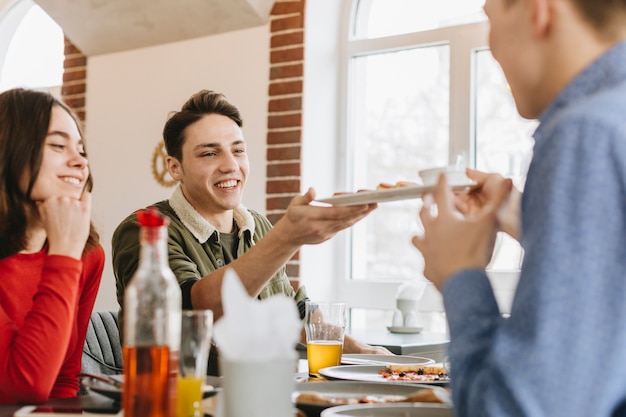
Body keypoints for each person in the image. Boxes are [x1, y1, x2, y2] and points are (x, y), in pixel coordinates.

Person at [412, 0, 626, 416]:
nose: (491, 48)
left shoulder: (584, 133)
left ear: (538, 10)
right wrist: (533, 221)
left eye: (490, 18)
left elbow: (519, 408)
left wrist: (459, 273)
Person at [112, 89, 390, 374]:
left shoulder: (257, 226)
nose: (230, 165)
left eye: (238, 150)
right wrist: (287, 237)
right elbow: (194, 315)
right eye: (209, 153)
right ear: (175, 168)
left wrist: (362, 351)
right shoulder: (145, 230)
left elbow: (297, 311)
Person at [0, 88, 104, 404]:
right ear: (8, 152)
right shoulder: (71, 253)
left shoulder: (87, 256)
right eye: (58, 145)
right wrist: (64, 255)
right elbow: (23, 385)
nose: (80, 163)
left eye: (82, 151)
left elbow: (64, 379)